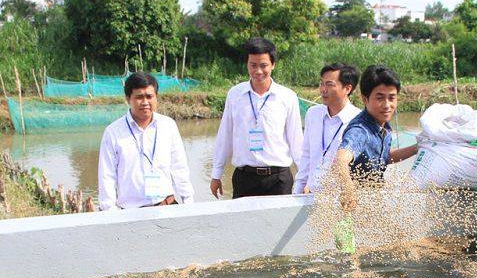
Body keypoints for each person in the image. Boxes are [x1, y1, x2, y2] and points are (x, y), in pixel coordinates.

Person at [210, 38, 303, 198]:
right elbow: (225, 135)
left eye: (263, 65)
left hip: (278, 179)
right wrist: (216, 174)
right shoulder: (235, 94)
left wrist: (304, 177)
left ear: (273, 65)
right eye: (253, 65)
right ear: (247, 64)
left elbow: (296, 140)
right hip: (244, 178)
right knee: (242, 223)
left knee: (278, 224)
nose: (258, 71)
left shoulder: (287, 97)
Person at [98, 72, 194, 210]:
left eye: (149, 96)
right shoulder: (113, 132)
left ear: (156, 97)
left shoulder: (168, 125)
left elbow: (179, 167)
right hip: (131, 213)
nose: (145, 102)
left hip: (167, 207)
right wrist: (110, 212)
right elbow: (106, 176)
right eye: (139, 97)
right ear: (127, 99)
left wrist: (189, 202)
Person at [332, 65, 418, 209]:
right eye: (380, 98)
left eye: (392, 98)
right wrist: (348, 188)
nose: (387, 105)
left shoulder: (383, 125)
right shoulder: (360, 131)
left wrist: (418, 147)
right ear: (365, 100)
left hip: (374, 202)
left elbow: (384, 158)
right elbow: (340, 160)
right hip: (354, 205)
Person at [293, 63, 361, 194]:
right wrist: (297, 191)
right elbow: (306, 155)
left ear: (347, 88)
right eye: (321, 83)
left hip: (341, 199)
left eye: (329, 85)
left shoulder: (358, 121)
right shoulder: (313, 114)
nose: (323, 89)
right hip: (310, 196)